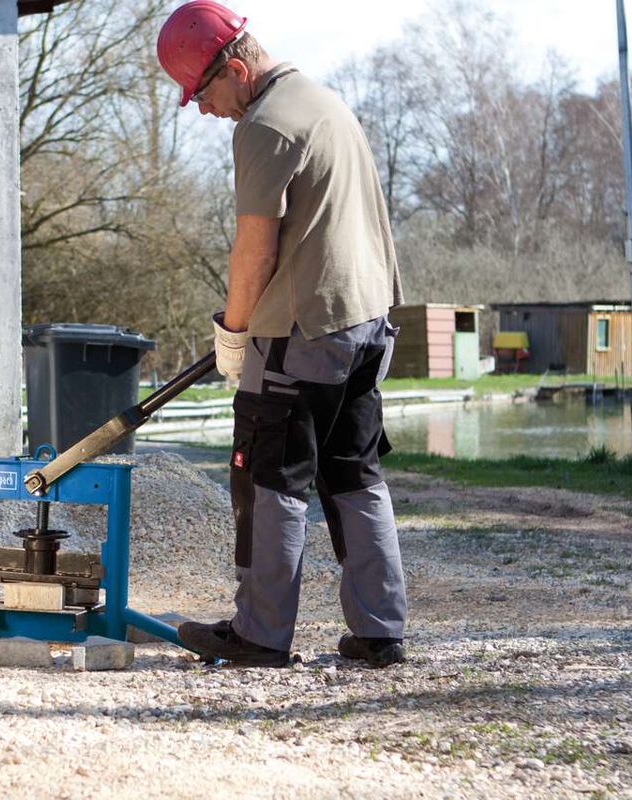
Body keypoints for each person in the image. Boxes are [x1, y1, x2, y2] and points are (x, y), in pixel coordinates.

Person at [157, 1, 408, 668]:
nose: (206, 111)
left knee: (268, 477)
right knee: (354, 473)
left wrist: (234, 333)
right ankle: (380, 631)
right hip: (367, 323)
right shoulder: (325, 104)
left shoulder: (264, 125)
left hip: (301, 330)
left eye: (204, 94)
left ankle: (260, 636)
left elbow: (254, 251)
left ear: (236, 69)